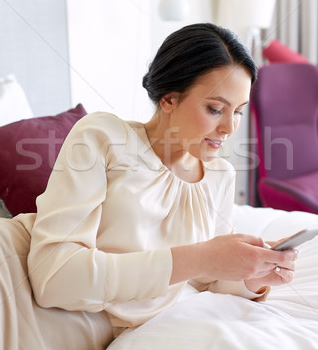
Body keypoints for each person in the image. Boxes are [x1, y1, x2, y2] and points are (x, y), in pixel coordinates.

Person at [27, 22, 298, 336]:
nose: (230, 128)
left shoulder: (219, 175)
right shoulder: (103, 139)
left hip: (178, 323)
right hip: (105, 331)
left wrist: (254, 274)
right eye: (215, 109)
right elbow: (54, 278)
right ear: (169, 99)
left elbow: (207, 279)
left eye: (238, 111)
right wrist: (200, 257)